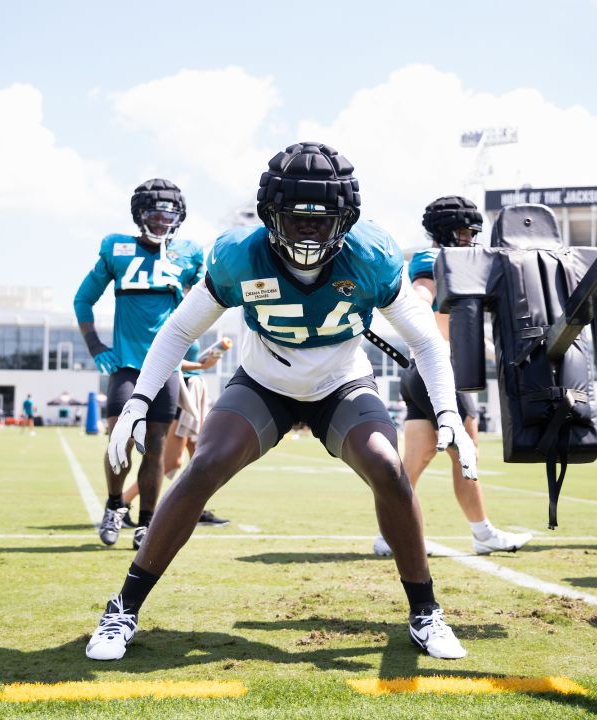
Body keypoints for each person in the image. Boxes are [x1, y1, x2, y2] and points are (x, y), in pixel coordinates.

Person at [85, 142, 476, 662]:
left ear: (347, 220)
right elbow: (179, 328)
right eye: (297, 219)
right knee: (205, 465)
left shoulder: (372, 256)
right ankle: (123, 608)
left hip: (341, 385)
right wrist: (138, 400)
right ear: (271, 216)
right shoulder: (239, 257)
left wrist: (447, 409)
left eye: (323, 220)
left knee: (387, 467)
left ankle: (425, 612)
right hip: (264, 384)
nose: (309, 232)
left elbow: (425, 339)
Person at [372, 196, 531, 557]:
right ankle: (482, 532)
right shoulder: (435, 259)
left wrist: (497, 353)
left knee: (416, 459)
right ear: (445, 231)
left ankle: (388, 534)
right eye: (464, 231)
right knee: (466, 454)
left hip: (418, 373)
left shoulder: (453, 261)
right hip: (441, 372)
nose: (470, 238)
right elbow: (421, 294)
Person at [73, 178, 206, 550]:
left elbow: (202, 307)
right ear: (139, 215)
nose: (163, 222)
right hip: (128, 364)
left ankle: (147, 522)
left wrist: (192, 358)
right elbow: (82, 300)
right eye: (155, 214)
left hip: (166, 366)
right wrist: (96, 345)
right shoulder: (117, 249)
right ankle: (115, 504)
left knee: (155, 443)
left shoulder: (188, 255)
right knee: (121, 435)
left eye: (170, 215)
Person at [119, 342, 229, 528]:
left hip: (194, 388)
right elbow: (168, 359)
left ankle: (196, 510)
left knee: (201, 457)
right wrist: (202, 366)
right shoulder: (172, 320)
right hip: (180, 390)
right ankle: (122, 503)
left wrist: (203, 360)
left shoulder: (193, 319)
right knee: (171, 461)